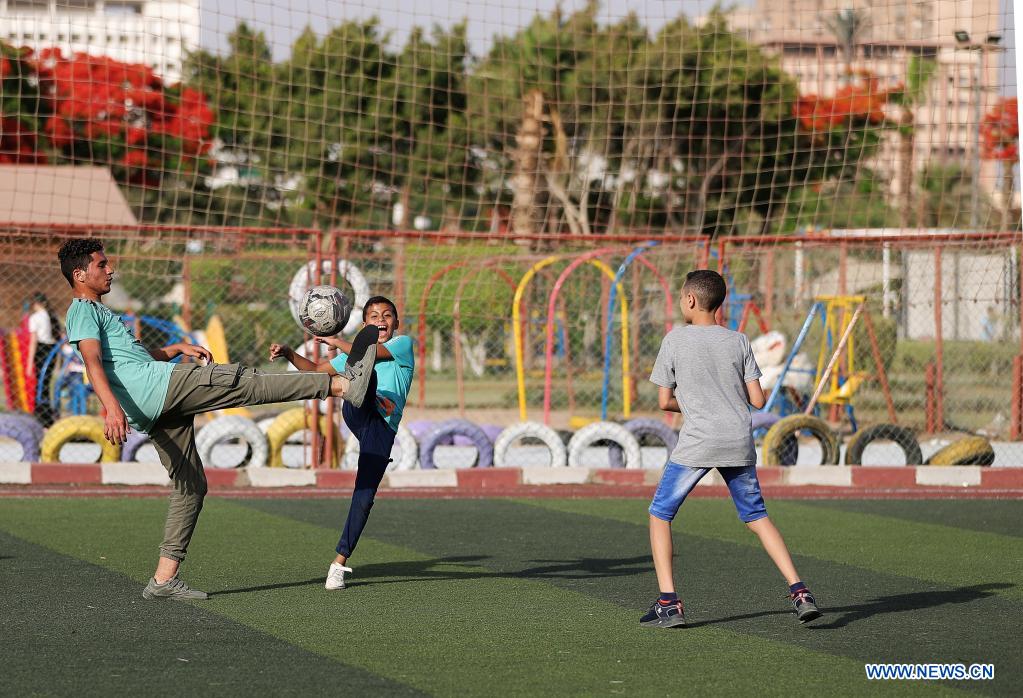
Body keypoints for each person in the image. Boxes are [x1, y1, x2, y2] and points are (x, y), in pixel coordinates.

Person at [57, 238, 380, 601]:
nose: (110, 268)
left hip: (151, 403)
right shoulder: (83, 309)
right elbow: (93, 362)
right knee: (241, 382)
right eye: (102, 265)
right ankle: (340, 386)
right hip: (159, 389)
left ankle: (164, 580)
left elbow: (131, 358)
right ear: (80, 274)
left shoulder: (101, 312)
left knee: (191, 485)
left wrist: (175, 350)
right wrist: (111, 408)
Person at [641, 269, 821, 628]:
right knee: (756, 516)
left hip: (699, 441)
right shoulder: (739, 340)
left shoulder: (674, 341)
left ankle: (669, 603)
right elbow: (757, 398)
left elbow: (665, 401)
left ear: (690, 300)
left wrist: (694, 403)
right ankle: (800, 591)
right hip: (738, 439)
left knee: (660, 513)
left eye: (680, 296)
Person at [269, 295, 414, 590]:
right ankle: (353, 388)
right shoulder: (355, 353)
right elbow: (315, 370)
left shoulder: (403, 345)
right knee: (364, 380)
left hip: (381, 430)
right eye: (374, 317)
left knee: (364, 498)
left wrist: (338, 343)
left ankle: (338, 564)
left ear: (396, 323)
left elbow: (373, 352)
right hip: (358, 411)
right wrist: (287, 353)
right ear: (364, 324)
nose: (381, 321)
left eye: (387, 316)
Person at [27, 292, 60, 426]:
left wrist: (29, 363)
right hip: (50, 350)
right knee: (45, 384)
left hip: (40, 351)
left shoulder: (35, 318)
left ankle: (42, 417)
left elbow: (33, 341)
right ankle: (45, 416)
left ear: (35, 304)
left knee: (40, 385)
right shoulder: (51, 316)